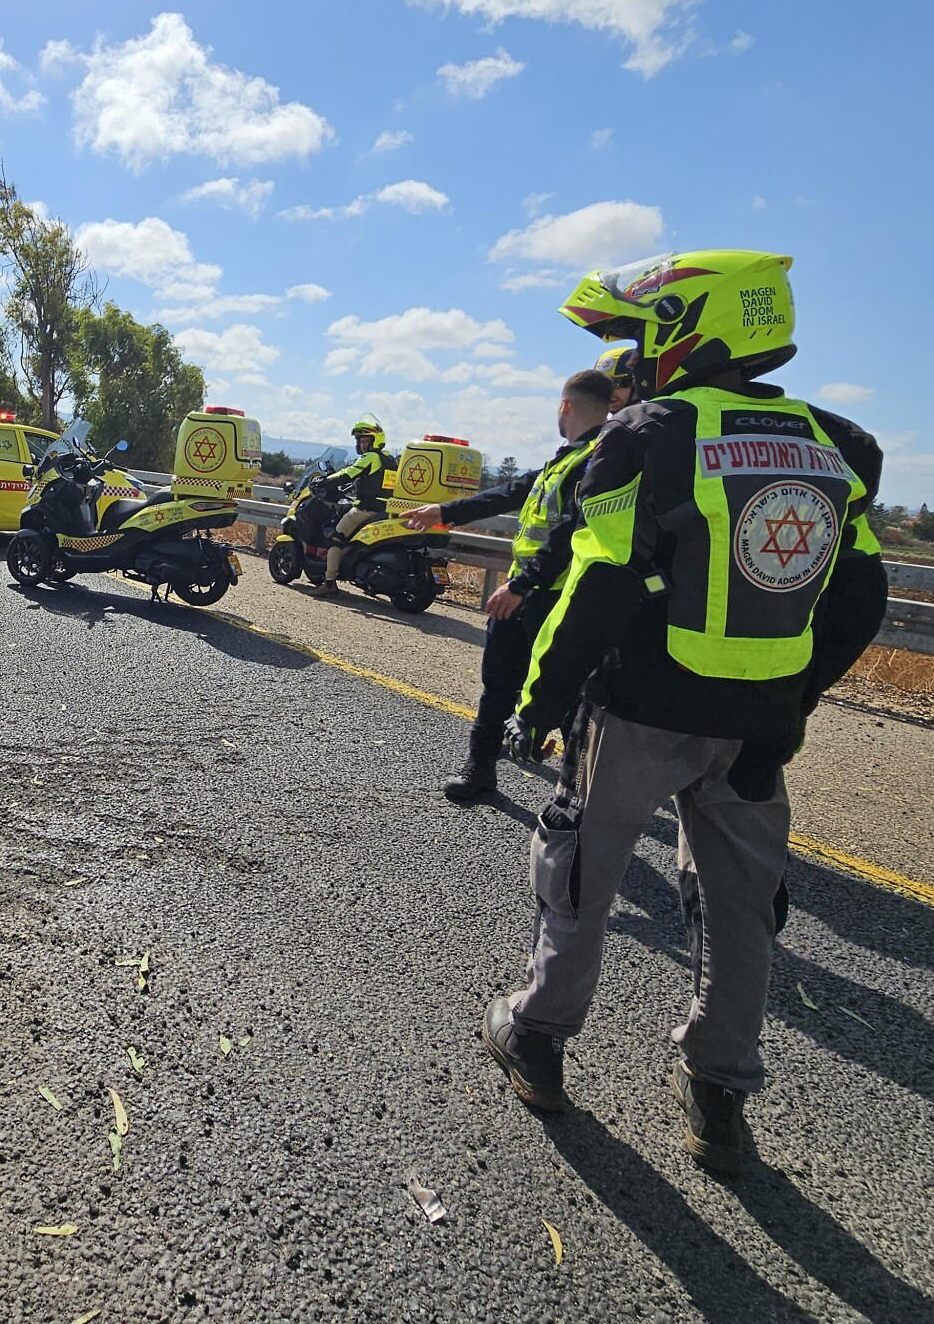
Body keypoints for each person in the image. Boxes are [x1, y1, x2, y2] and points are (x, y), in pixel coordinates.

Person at [481, 249, 887, 1180]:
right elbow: (861, 596)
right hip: (759, 731)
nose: (629, 363)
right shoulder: (843, 445)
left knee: (580, 869)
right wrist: (794, 700)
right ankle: (719, 1097)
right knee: (741, 909)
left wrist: (541, 698)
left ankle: (538, 1038)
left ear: (686, 328)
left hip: (638, 710)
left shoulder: (647, 434)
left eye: (635, 338)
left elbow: (601, 581)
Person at [402, 368, 617, 801]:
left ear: (565, 405)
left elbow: (572, 533)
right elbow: (506, 493)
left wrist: (523, 585)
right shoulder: (566, 458)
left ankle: (582, 799)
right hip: (527, 594)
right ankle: (479, 771)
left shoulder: (600, 462)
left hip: (557, 598)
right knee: (498, 685)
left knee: (565, 697)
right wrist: (444, 512)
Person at [314, 415, 397, 597]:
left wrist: (323, 482)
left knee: (335, 538)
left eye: (365, 441)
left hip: (365, 509)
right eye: (360, 441)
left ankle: (329, 582)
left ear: (376, 441)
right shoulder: (390, 460)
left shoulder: (370, 457)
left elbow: (348, 473)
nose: (362, 445)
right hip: (384, 510)